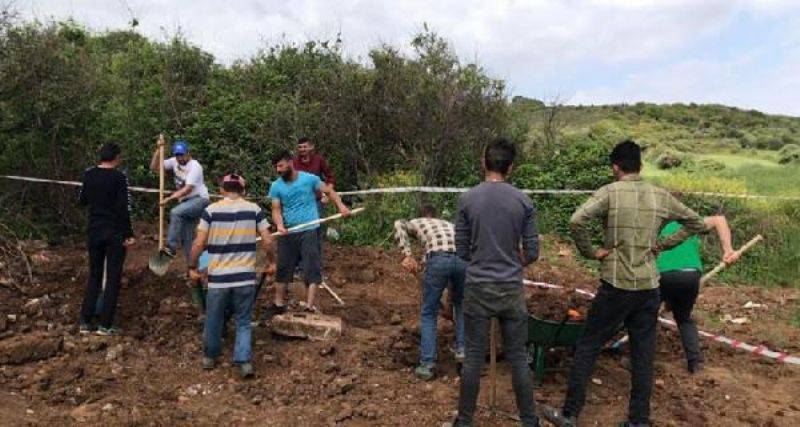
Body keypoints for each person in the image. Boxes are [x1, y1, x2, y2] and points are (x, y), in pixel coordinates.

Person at [543, 140, 709, 427]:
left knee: (588, 345)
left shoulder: (610, 192)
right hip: (648, 287)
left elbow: (576, 220)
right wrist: (662, 245)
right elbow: (697, 223)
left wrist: (591, 251)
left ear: (615, 167)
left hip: (616, 284)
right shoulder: (659, 195)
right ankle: (638, 421)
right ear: (641, 166)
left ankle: (570, 414)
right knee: (643, 355)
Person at [454, 138, 540, 427]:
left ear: (484, 162)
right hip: (511, 288)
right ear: (511, 167)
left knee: (474, 357)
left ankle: (465, 420)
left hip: (478, 285)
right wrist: (516, 263)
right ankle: (530, 420)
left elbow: (462, 250)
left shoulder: (467, 199)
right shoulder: (523, 201)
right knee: (518, 357)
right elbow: (533, 251)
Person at [188, 173, 273, 378]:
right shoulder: (255, 210)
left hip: (218, 279)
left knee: (213, 318)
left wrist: (192, 266)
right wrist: (272, 262)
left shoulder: (210, 211)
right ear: (242, 190)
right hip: (245, 277)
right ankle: (243, 362)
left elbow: (199, 243)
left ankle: (210, 357)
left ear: (222, 190)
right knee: (243, 321)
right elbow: (268, 241)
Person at [265, 150, 350, 316]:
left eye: (281, 166)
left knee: (312, 268)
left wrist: (341, 207)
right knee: (283, 269)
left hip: (309, 230)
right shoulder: (276, 186)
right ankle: (278, 304)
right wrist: (280, 225)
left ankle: (309, 306)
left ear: (290, 162)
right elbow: (276, 210)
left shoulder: (310, 179)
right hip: (288, 232)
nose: (279, 170)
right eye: (276, 167)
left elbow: (329, 192)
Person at [656, 216, 739, 373]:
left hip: (663, 274)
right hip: (691, 274)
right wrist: (728, 250)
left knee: (645, 317)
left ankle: (637, 361)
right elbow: (720, 219)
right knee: (684, 318)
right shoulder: (687, 224)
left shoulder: (654, 227)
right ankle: (695, 363)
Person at [394, 203, 466, 381]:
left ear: (422, 216)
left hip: (439, 259)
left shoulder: (417, 222)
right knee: (461, 306)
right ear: (437, 215)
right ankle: (463, 352)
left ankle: (427, 364)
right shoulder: (450, 225)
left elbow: (398, 224)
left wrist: (407, 255)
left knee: (428, 312)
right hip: (463, 260)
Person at [78, 142, 135, 335]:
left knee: (94, 275)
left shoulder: (89, 174)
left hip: (94, 230)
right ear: (117, 158)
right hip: (114, 233)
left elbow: (82, 200)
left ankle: (85, 321)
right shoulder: (120, 178)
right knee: (112, 277)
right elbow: (123, 208)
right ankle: (106, 324)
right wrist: (128, 234)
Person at [149, 136, 210, 261]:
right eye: (177, 155)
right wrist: (159, 150)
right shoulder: (174, 162)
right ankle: (195, 271)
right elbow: (154, 167)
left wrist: (169, 199)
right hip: (187, 203)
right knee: (188, 242)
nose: (180, 158)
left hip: (200, 200)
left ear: (188, 153)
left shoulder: (195, 166)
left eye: (182, 155)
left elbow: (187, 189)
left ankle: (171, 247)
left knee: (175, 212)